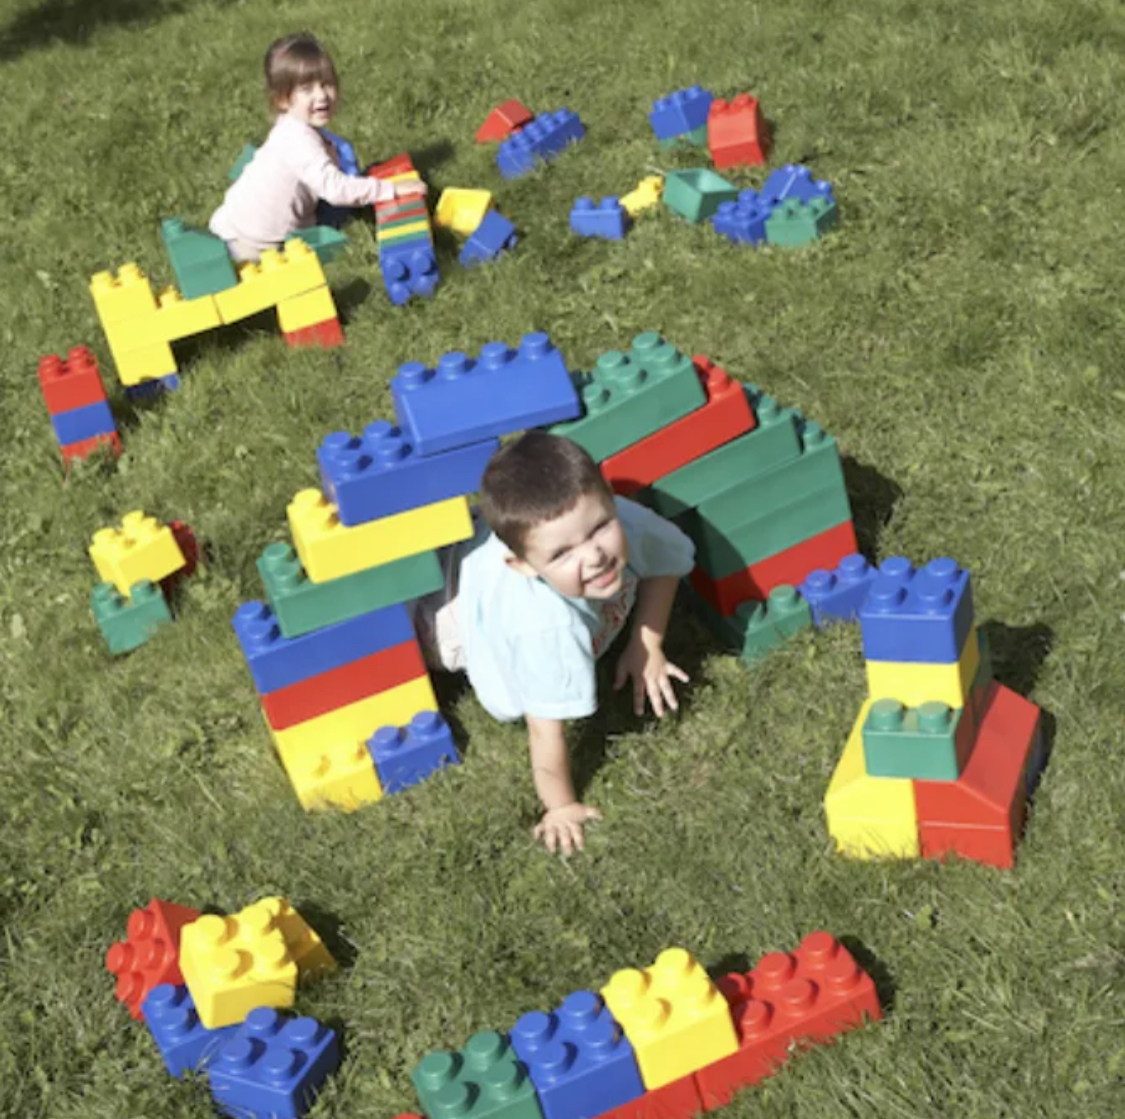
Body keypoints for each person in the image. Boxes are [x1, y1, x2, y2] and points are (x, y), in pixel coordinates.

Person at [414, 432, 696, 855]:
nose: (594, 555)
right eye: (563, 554)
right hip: (448, 622)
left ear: (609, 498)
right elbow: (544, 729)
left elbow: (664, 564)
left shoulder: (615, 521)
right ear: (523, 567)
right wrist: (561, 806)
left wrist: (646, 645)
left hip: (479, 556)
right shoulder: (545, 629)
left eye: (600, 528)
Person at [210, 33, 425, 261]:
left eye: (327, 84)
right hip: (255, 246)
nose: (322, 95)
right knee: (340, 205)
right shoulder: (297, 141)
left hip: (234, 224)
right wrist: (389, 190)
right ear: (283, 99)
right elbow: (334, 189)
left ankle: (362, 187)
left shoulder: (292, 126)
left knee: (342, 194)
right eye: (306, 89)